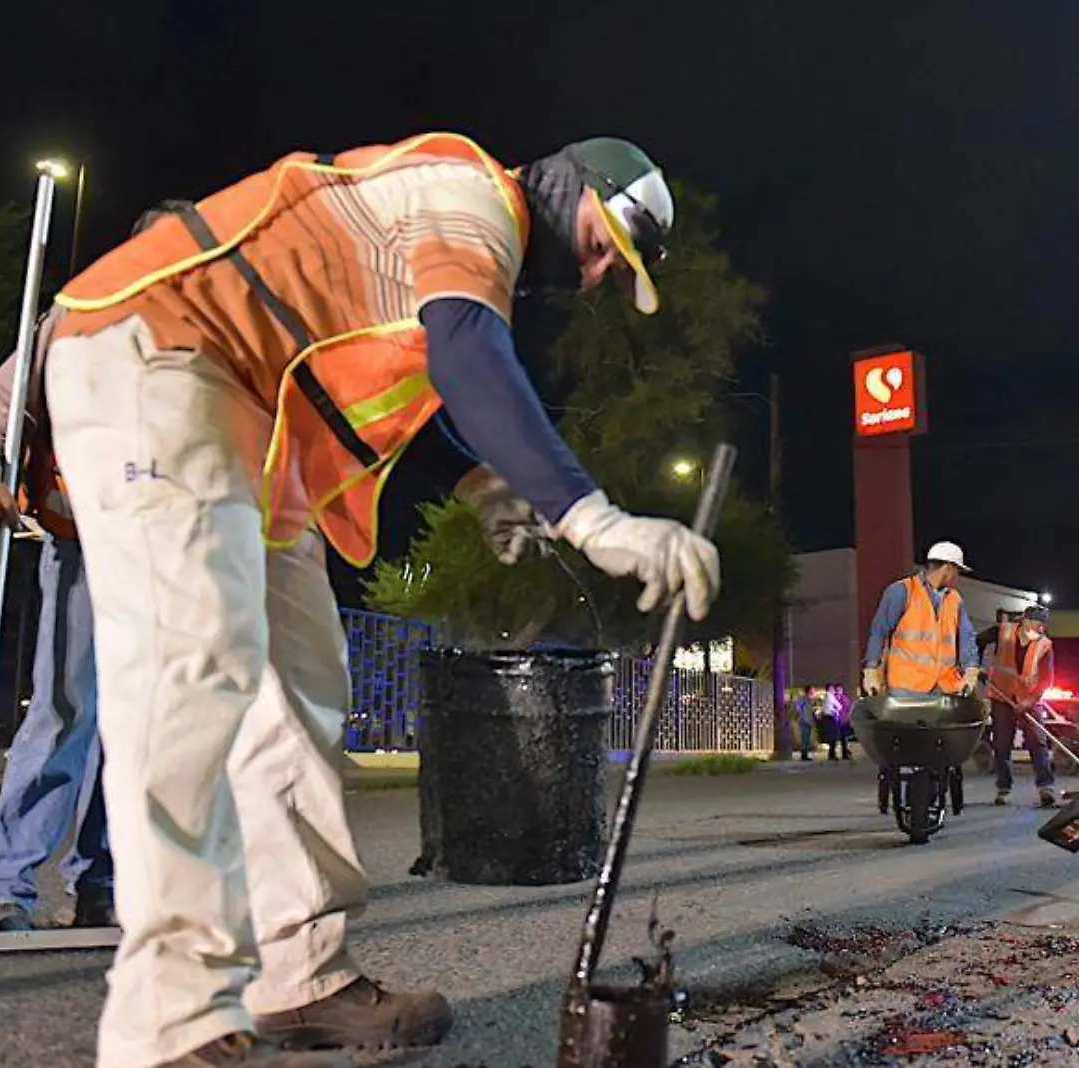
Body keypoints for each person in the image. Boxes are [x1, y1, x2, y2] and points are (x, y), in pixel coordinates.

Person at [39, 134, 719, 1068]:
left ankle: (300, 973)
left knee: (303, 691)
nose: (599, 273)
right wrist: (592, 520)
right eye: (612, 245)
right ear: (582, 184)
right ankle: (169, 1016)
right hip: (158, 349)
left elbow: (425, 378)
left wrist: (483, 482)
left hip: (254, 414)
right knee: (195, 665)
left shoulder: (480, 245)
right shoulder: (467, 193)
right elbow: (471, 358)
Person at [0, 201, 193, 933]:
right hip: (86, 538)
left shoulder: (206, 333)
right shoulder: (82, 314)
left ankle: (102, 880)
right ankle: (4, 886)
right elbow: (2, 402)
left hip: (165, 549)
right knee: (66, 711)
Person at [860, 541, 982, 812]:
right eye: (957, 571)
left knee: (937, 750)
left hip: (942, 689)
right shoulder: (901, 592)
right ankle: (907, 790)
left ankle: (936, 790)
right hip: (908, 689)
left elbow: (967, 638)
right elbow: (879, 630)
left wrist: (971, 669)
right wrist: (871, 670)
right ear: (948, 568)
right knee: (909, 746)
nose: (957, 577)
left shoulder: (955, 600)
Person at [978, 606, 1057, 808]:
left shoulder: (1045, 645)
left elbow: (1046, 680)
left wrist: (1028, 702)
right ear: (1025, 621)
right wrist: (976, 665)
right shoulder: (1002, 631)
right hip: (1001, 697)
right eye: (1036, 624)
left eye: (1043, 626)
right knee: (1002, 744)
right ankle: (1003, 788)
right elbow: (976, 642)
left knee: (1037, 742)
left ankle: (1045, 787)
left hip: (1028, 699)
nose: (1039, 629)